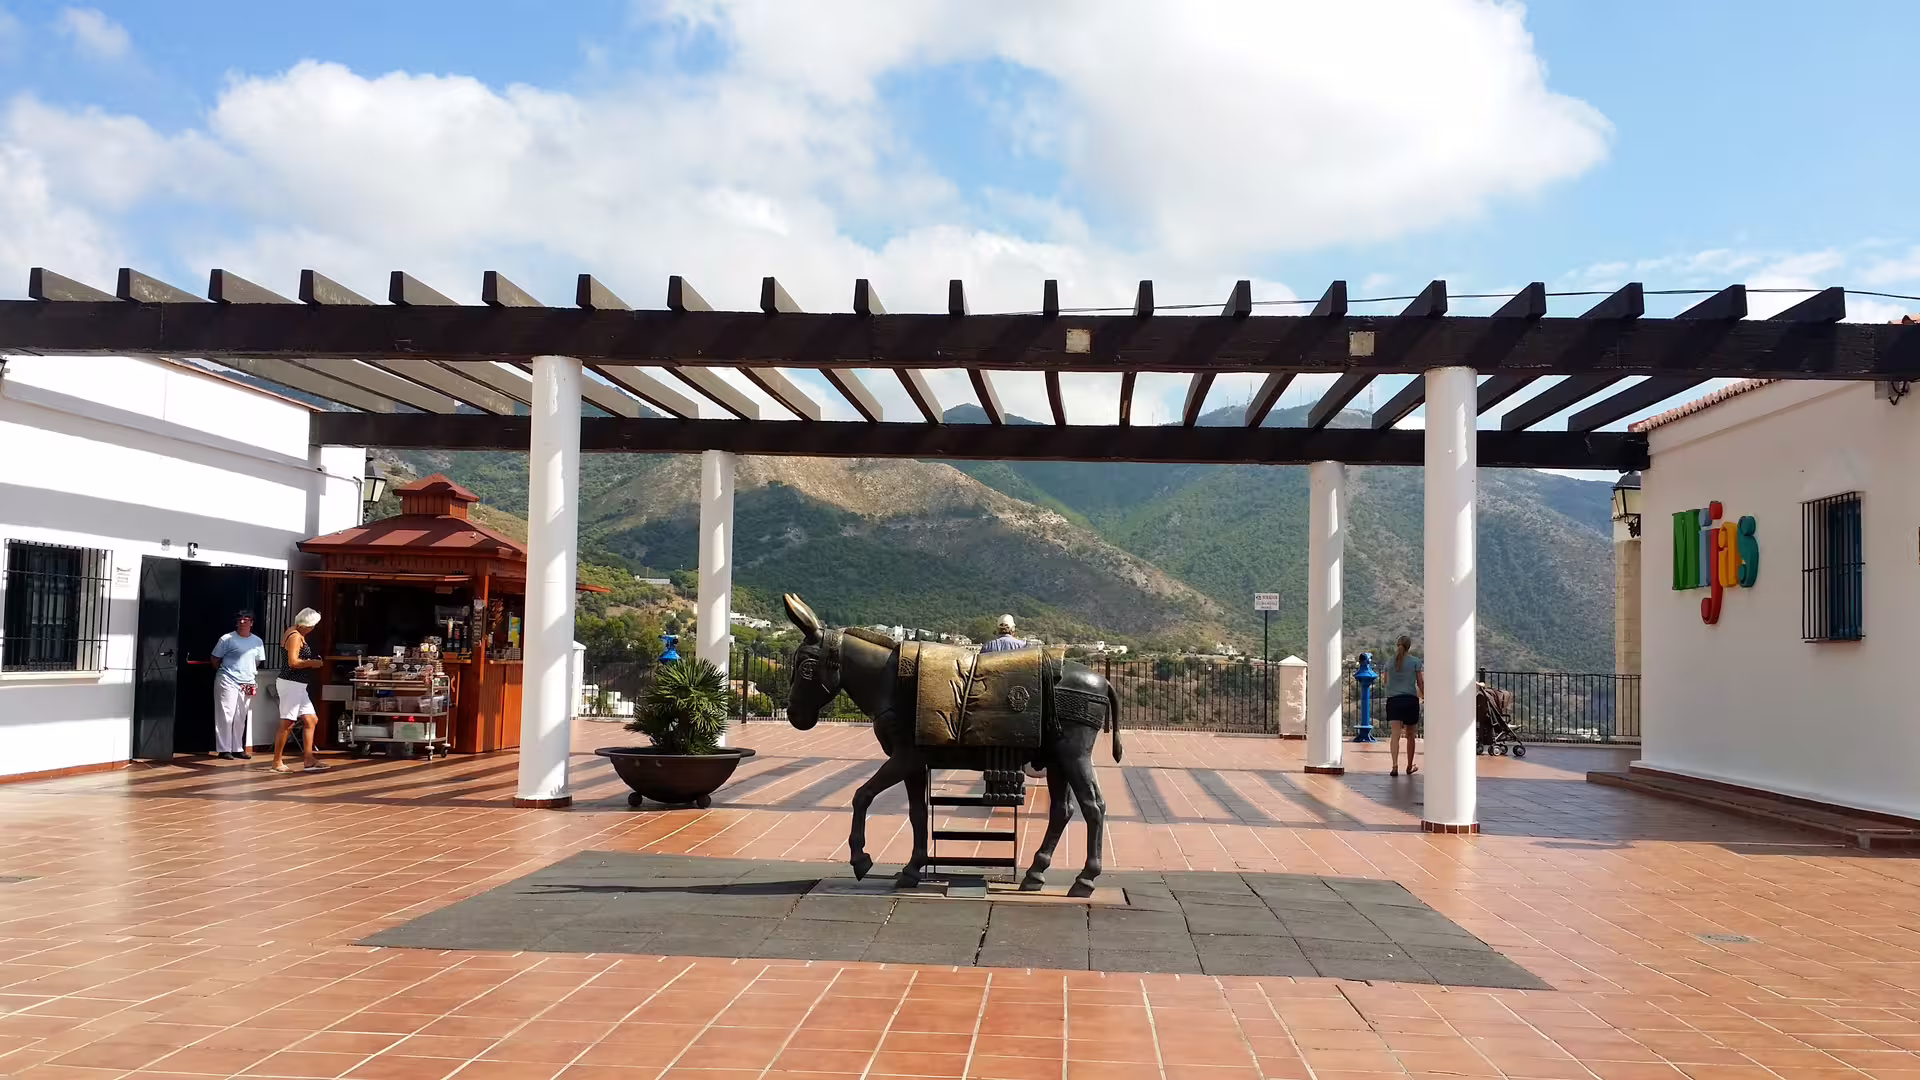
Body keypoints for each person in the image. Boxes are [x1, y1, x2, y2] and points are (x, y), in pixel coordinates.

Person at [272, 608, 328, 773]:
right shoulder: (296, 636)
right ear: (307, 625)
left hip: (298, 685)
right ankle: (277, 761)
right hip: (291, 683)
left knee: (311, 720)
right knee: (288, 723)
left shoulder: (293, 631)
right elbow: (293, 662)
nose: (313, 629)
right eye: (313, 626)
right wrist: (313, 663)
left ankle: (309, 759)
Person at [209, 611, 266, 760]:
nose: (242, 622)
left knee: (241, 715)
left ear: (252, 622)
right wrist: (224, 671)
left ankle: (238, 748)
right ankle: (224, 749)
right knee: (226, 714)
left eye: (246, 620)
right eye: (240, 620)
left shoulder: (257, 641)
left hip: (247, 680)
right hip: (228, 679)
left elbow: (258, 661)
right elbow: (215, 658)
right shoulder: (227, 639)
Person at [1384, 635, 1424, 777]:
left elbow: (1385, 683)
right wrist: (1424, 695)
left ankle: (1394, 766)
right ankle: (1409, 766)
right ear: (1409, 646)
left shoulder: (1389, 662)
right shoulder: (1415, 662)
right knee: (1410, 735)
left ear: (1397, 645)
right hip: (1410, 701)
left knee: (1395, 735)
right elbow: (1420, 682)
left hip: (1394, 701)